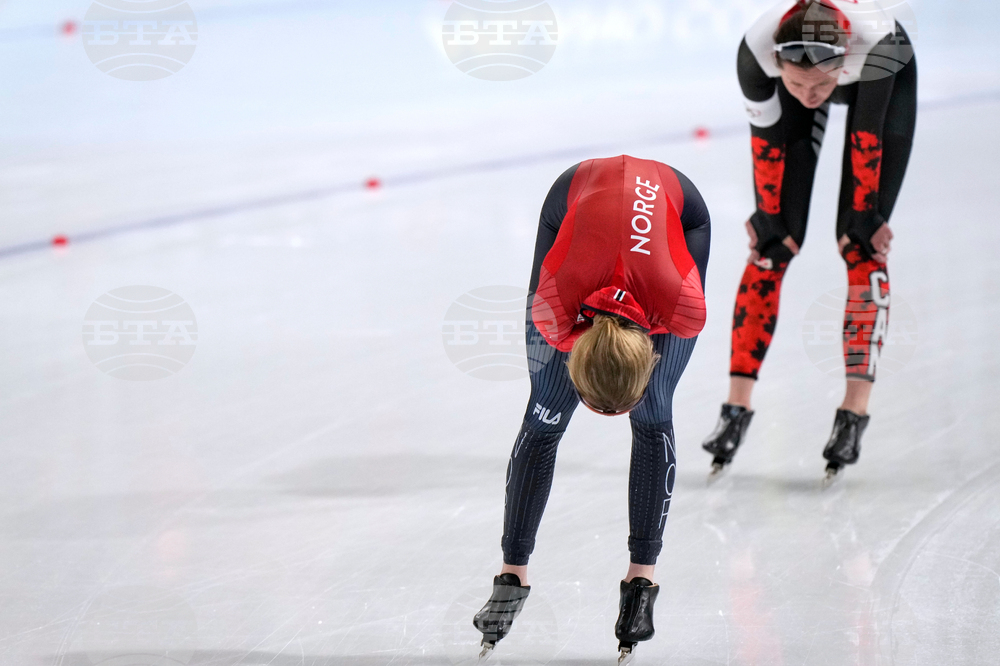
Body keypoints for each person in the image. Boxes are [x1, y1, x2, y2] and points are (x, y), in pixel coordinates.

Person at [472, 155, 711, 663]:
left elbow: (650, 380)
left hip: (678, 206)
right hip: (574, 197)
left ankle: (641, 580)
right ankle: (512, 574)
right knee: (546, 409)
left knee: (655, 412)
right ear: (572, 347)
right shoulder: (552, 310)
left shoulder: (683, 309)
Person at [702, 0, 916, 478]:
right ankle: (734, 409)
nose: (809, 94)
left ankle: (853, 414)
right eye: (796, 82)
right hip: (812, 73)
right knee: (771, 247)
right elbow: (766, 146)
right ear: (778, 65)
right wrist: (766, 216)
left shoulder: (877, 43)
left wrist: (867, 217)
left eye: (819, 83)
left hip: (882, 87)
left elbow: (868, 139)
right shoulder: (754, 58)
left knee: (861, 243)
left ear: (841, 63)